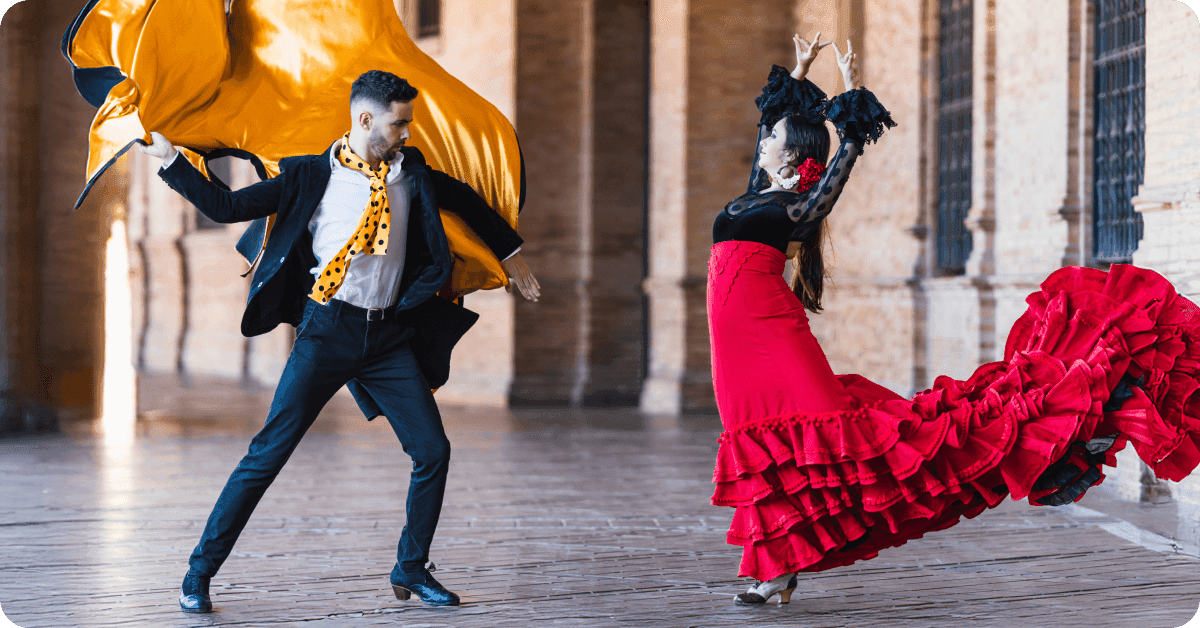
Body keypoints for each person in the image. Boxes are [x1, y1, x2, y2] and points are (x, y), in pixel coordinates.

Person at [708, 32, 1200, 605]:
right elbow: (768, 126)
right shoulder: (756, 196)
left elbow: (838, 169)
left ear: (793, 156)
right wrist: (798, 73)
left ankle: (1068, 423)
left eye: (775, 137)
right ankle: (779, 566)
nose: (764, 140)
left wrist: (850, 99)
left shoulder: (794, 208)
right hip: (733, 344)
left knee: (846, 443)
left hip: (771, 332)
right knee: (768, 449)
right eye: (768, 135)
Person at [142, 70, 541, 612]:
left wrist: (511, 256)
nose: (406, 133)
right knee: (267, 454)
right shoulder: (310, 176)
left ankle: (411, 567)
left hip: (388, 337)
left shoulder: (412, 173)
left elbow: (467, 201)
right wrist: (171, 161)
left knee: (432, 451)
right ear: (365, 119)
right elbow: (228, 207)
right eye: (398, 124)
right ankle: (199, 572)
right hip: (327, 330)